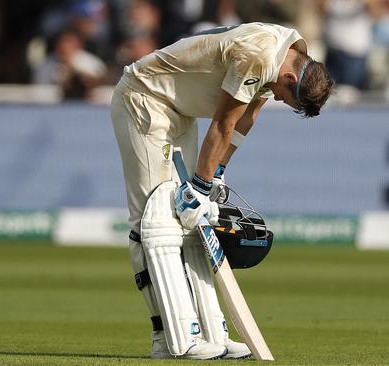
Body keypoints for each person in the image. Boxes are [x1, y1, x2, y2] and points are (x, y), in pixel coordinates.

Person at [110, 22, 333, 360]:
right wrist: (200, 185)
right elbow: (223, 123)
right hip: (144, 97)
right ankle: (176, 338)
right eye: (288, 99)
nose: (281, 100)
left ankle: (212, 332)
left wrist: (217, 174)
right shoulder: (260, 55)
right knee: (155, 219)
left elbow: (249, 112)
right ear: (291, 80)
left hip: (178, 111)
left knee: (191, 222)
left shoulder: (291, 51)